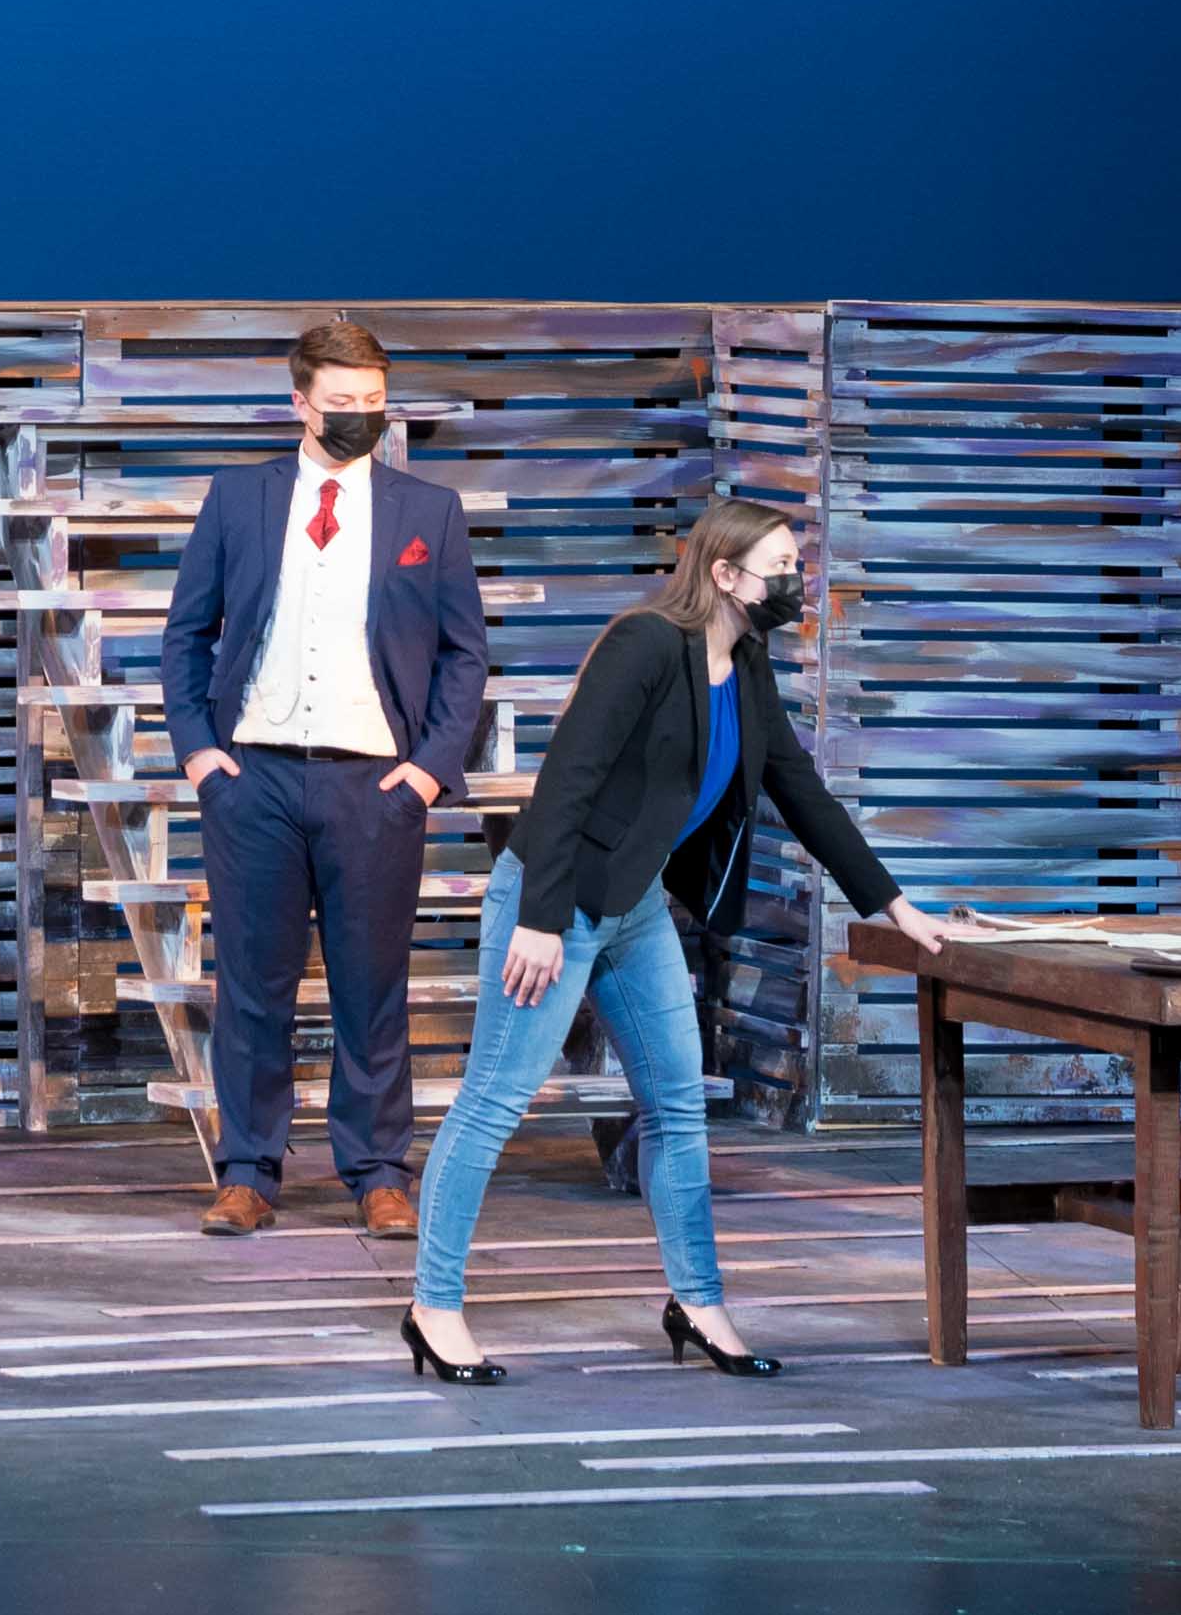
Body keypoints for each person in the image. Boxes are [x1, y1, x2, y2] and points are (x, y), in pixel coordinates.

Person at [393, 495, 940, 1382]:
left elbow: (802, 792)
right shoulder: (645, 646)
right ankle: (433, 1307)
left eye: (796, 567)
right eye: (780, 569)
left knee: (678, 1105)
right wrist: (540, 919)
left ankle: (699, 1302)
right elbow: (566, 781)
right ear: (724, 575)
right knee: (494, 1101)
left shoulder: (746, 665)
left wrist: (897, 907)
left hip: (636, 907)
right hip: (557, 901)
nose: (796, 583)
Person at [156, 317, 491, 1241]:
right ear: (300, 402)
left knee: (372, 985)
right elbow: (186, 633)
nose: (360, 417)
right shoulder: (239, 497)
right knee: (252, 985)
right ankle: (249, 1171)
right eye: (342, 403)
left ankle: (378, 1171)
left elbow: (465, 654)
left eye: (374, 403)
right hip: (254, 775)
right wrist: (200, 753)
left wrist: (428, 771)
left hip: (374, 784)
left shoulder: (428, 511)